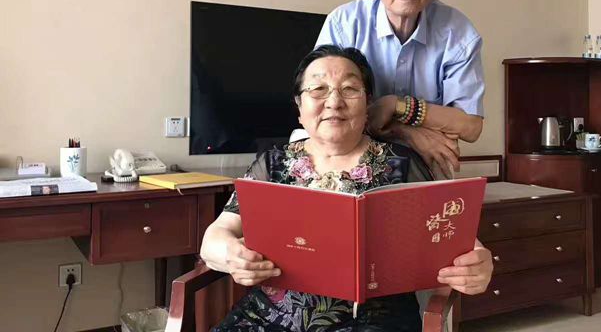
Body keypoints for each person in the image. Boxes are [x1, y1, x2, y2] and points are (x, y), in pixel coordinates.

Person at [200, 45, 493, 331]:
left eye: (349, 89)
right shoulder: (272, 163)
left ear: (367, 105)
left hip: (374, 320)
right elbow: (216, 236)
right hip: (269, 317)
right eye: (318, 89)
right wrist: (231, 255)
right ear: (299, 107)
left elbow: (456, 239)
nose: (334, 101)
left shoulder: (401, 164)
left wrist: (477, 264)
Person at [316, 0, 484, 177]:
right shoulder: (345, 24)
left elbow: (470, 126)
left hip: (423, 171)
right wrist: (406, 132)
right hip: (349, 168)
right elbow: (327, 112)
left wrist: (396, 105)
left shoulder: (458, 33)